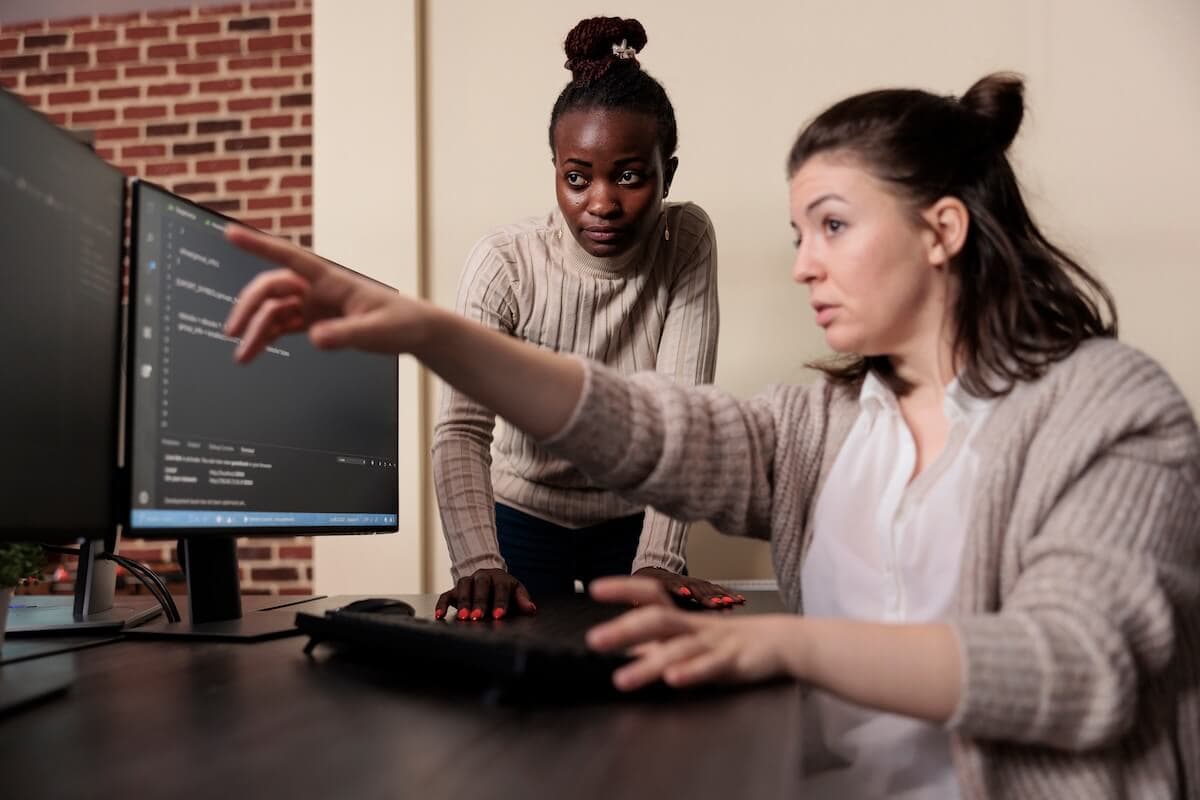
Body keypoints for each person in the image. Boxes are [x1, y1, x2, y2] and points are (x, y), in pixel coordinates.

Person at [222, 72, 1199, 798]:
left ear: (941, 230)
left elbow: (1080, 664)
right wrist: (437, 333)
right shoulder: (818, 424)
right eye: (796, 235)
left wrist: (783, 644)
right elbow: (647, 422)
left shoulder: (1113, 408)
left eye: (831, 226)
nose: (802, 267)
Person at [430, 16, 737, 621]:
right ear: (555, 171)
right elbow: (462, 431)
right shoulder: (504, 264)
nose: (600, 202)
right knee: (514, 684)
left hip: (633, 518)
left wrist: (658, 563)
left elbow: (683, 415)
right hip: (521, 516)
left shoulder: (687, 238)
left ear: (666, 174)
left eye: (628, 176)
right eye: (576, 178)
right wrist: (477, 563)